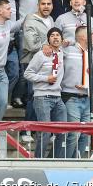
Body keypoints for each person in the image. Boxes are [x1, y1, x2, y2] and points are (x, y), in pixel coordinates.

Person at [24, 27, 66, 158]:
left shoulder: (62, 53)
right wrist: (45, 78)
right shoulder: (41, 54)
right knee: (46, 132)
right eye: (52, 35)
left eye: (57, 35)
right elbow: (27, 73)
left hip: (57, 97)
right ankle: (39, 161)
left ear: (62, 39)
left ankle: (54, 161)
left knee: (63, 131)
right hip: (42, 97)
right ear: (48, 39)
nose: (55, 37)